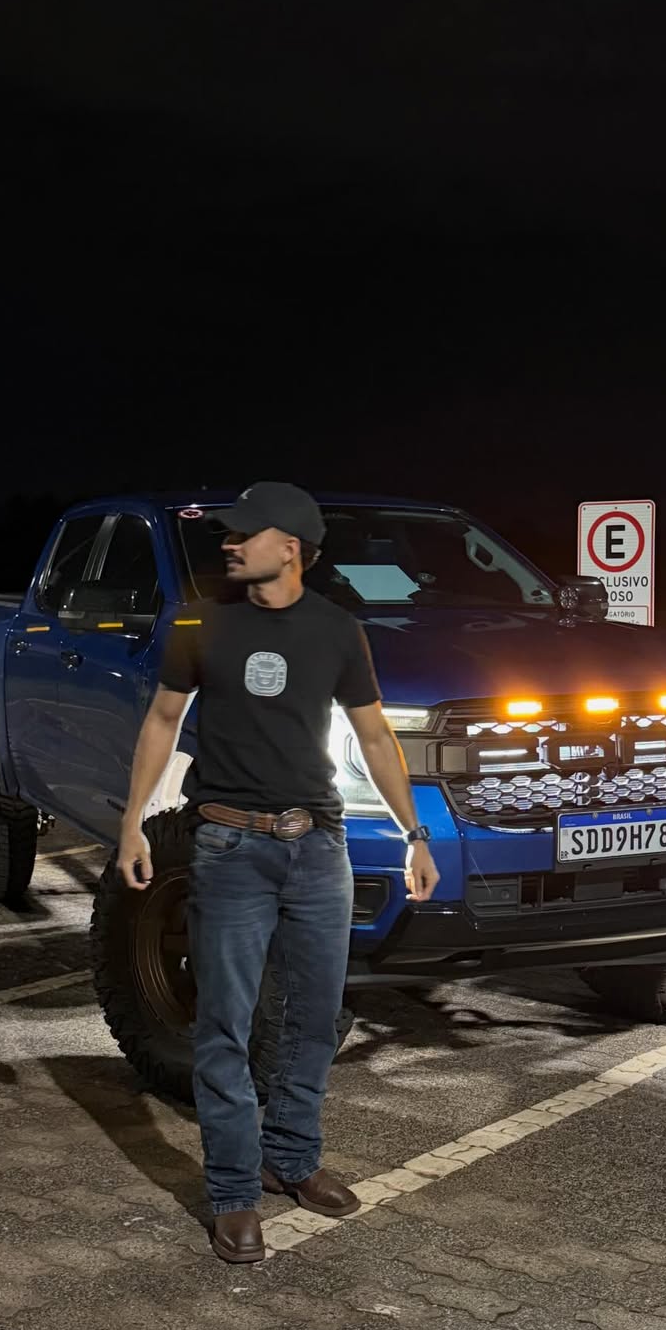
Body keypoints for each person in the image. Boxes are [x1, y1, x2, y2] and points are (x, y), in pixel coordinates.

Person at [117, 481, 440, 1263]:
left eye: (245, 534)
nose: (230, 545)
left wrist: (415, 834)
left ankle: (291, 1158)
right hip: (228, 846)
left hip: (318, 847)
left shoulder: (337, 630)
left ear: (290, 547)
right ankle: (233, 1191)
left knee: (316, 1016)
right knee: (225, 1024)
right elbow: (163, 720)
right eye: (228, 535)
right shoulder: (201, 622)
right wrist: (131, 823)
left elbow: (374, 737)